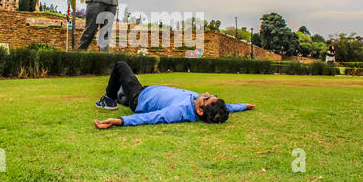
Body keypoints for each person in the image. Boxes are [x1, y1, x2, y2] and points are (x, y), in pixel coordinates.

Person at [94, 61, 256, 129]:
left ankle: (109, 100)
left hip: (139, 97)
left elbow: (152, 117)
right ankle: (120, 96)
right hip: (147, 90)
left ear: (200, 111)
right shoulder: (204, 105)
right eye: (211, 94)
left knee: (121, 66)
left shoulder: (178, 111)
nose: (206, 93)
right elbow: (228, 108)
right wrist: (244, 106)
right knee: (121, 91)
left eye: (207, 98)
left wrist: (120, 121)